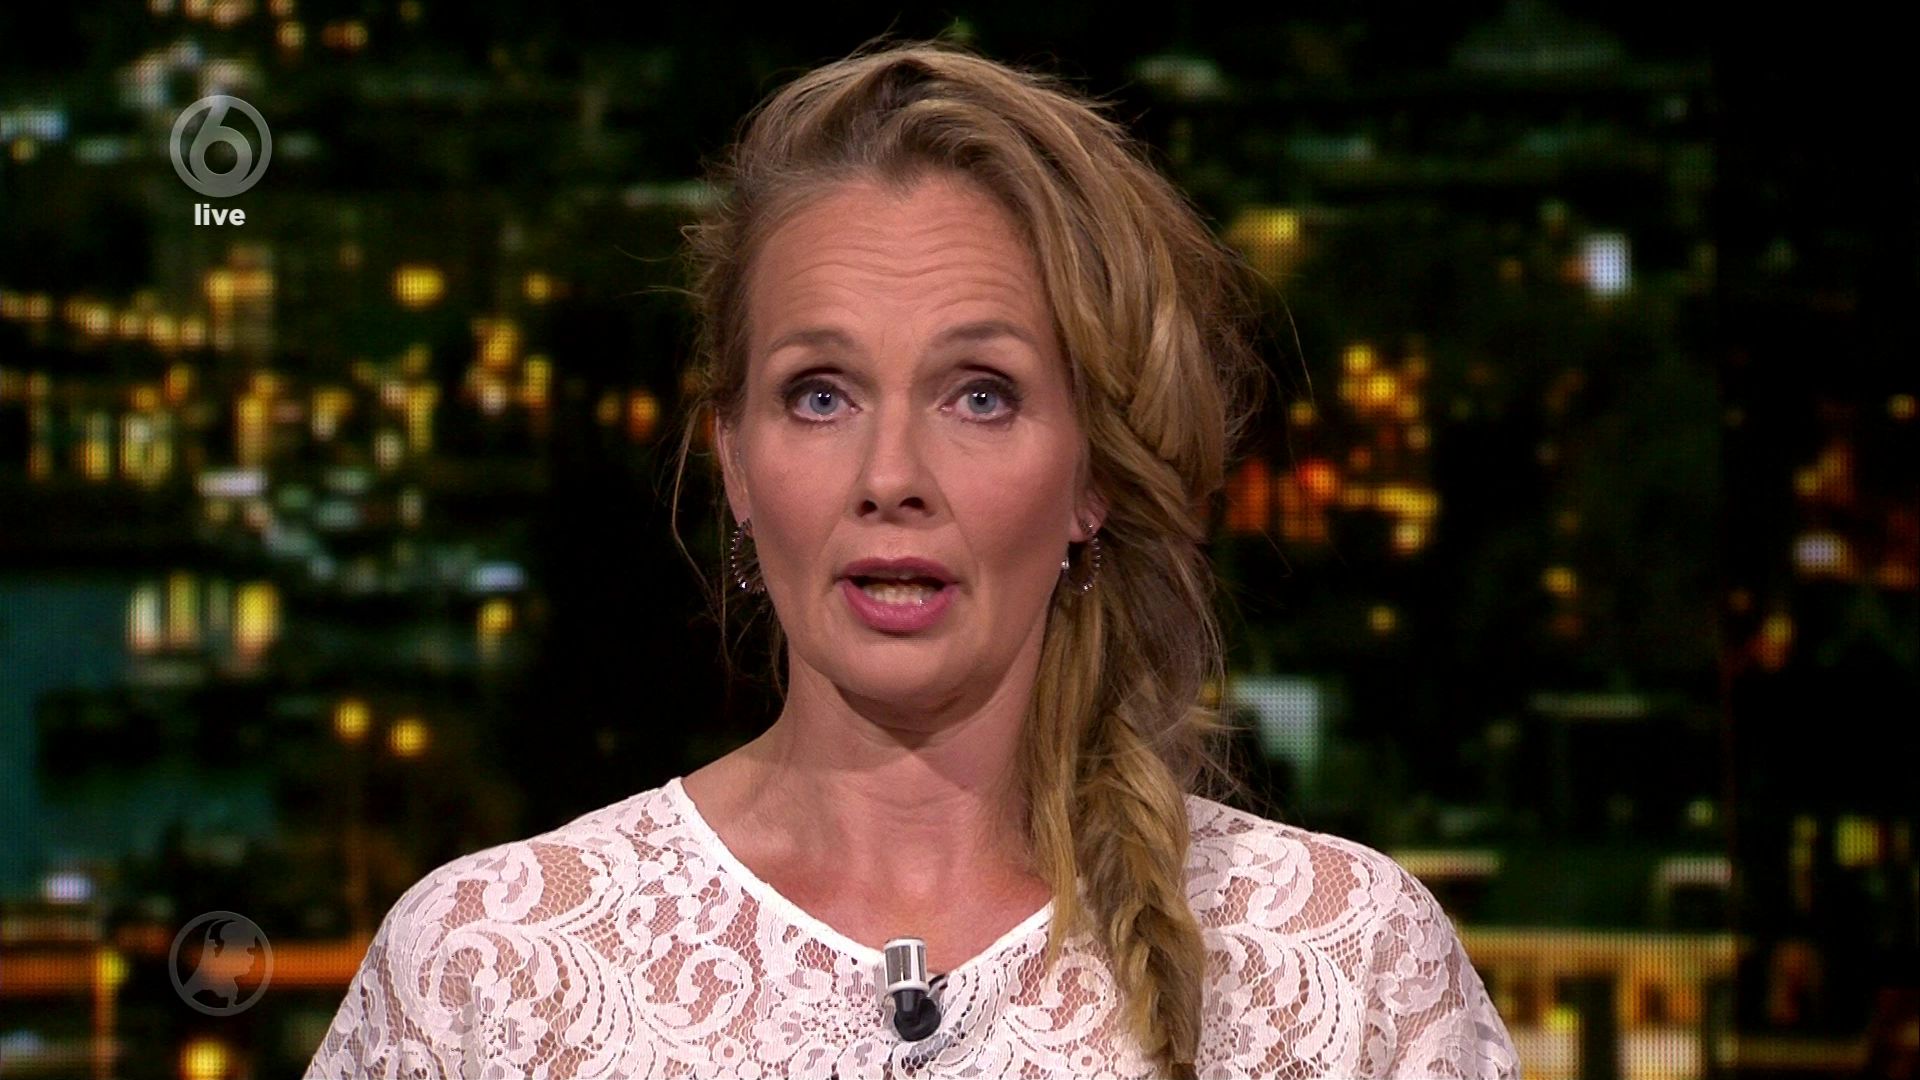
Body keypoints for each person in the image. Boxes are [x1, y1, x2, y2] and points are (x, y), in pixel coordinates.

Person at [305, 38, 1521, 1079]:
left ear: (1093, 475)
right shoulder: (490, 972)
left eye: (980, 395)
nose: (891, 475)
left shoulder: (1347, 966)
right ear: (736, 460)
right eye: (820, 395)